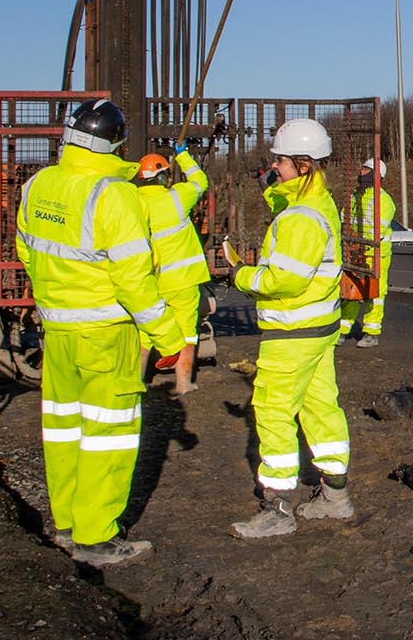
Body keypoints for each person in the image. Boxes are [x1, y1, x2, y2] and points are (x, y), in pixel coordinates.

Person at [16, 98, 185, 566]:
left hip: (59, 331)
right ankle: (96, 536)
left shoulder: (38, 186)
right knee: (108, 434)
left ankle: (68, 523)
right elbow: (135, 280)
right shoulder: (114, 196)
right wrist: (169, 338)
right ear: (114, 141)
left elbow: (28, 253)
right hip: (107, 334)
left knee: (64, 429)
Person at [226, 117, 354, 538]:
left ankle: (276, 508)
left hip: (291, 333)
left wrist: (241, 276)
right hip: (318, 328)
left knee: (273, 411)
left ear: (303, 164)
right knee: (320, 407)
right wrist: (273, 188)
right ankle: (336, 496)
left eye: (279, 161)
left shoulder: (300, 219)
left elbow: (284, 279)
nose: (274, 166)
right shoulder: (318, 205)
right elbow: (292, 210)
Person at [133, 147, 211, 393]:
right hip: (183, 280)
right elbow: (200, 181)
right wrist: (183, 156)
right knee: (187, 331)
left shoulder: (132, 203)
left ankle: (137, 383)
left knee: (145, 332)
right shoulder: (177, 197)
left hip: (149, 280)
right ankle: (183, 383)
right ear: (164, 177)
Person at [343, 158, 399, 347]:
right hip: (355, 251)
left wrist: (358, 242)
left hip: (375, 254)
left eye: (366, 170)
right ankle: (343, 329)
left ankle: (371, 332)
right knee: (351, 290)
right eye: (362, 169)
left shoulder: (384, 200)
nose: (361, 172)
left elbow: (378, 229)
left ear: (377, 175)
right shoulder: (354, 195)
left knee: (374, 293)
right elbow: (345, 219)